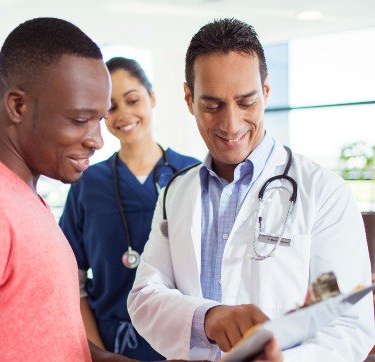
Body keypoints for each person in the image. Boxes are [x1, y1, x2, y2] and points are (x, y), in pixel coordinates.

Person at [0, 16, 282, 362]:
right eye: (80, 120)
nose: (98, 140)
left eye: (100, 119)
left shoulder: (18, 197)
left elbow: (58, 345)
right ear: (17, 105)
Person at [127, 17, 375, 362]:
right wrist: (209, 318)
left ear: (266, 92)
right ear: (188, 98)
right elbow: (145, 296)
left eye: (246, 103)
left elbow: (348, 321)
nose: (231, 124)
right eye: (212, 105)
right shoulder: (176, 192)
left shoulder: (323, 192)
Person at [59, 56, 199, 360]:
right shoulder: (87, 183)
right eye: (111, 107)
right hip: (112, 345)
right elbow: (71, 281)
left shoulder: (192, 175)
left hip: (181, 344)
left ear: (152, 98)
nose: (123, 114)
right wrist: (96, 352)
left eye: (132, 100)